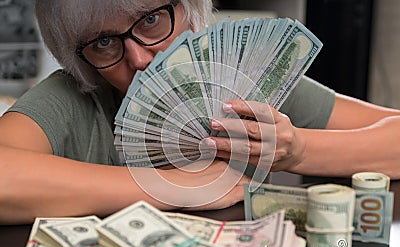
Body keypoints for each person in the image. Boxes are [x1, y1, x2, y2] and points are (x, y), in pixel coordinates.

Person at [0, 0, 399, 225]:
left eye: (152, 20)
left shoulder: (245, 78)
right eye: (104, 41)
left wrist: (300, 149)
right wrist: (177, 186)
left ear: (190, 10)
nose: (139, 58)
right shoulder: (71, 98)